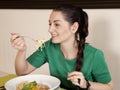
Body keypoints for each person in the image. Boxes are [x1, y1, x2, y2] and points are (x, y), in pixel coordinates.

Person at [10, 4, 113, 90]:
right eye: (50, 24)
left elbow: (109, 87)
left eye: (57, 25)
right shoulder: (48, 47)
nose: (50, 29)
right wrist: (21, 51)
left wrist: (86, 84)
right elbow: (21, 72)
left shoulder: (94, 55)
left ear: (74, 27)